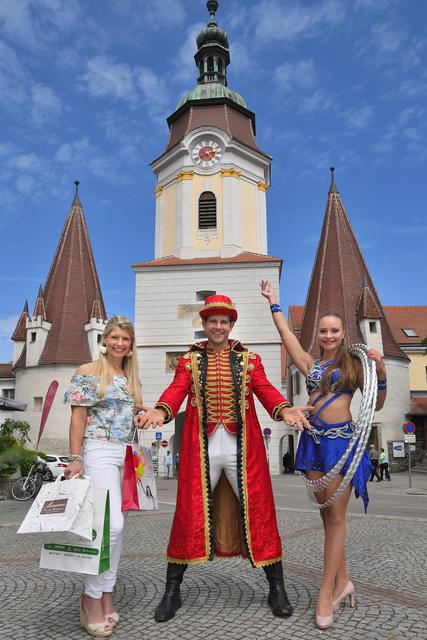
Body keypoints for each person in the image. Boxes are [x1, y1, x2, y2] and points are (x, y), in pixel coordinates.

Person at [135, 294, 312, 623]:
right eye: (212, 321)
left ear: (231, 325)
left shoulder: (250, 360)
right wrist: (161, 410)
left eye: (224, 321)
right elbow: (177, 389)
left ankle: (277, 589)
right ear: (204, 325)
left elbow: (265, 389)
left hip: (241, 448)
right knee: (188, 513)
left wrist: (285, 408)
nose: (218, 326)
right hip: (201, 447)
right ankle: (172, 590)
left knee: (259, 510)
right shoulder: (188, 361)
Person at [260, 281, 387, 630]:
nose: (328, 335)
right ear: (317, 334)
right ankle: (344, 582)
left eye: (334, 331)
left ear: (344, 333)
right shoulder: (311, 364)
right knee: (326, 518)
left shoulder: (355, 366)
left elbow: (375, 403)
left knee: (335, 520)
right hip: (314, 443)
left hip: (342, 444)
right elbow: (286, 334)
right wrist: (274, 304)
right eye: (323, 331)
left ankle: (326, 590)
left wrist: (384, 373)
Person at [64, 316, 142, 638]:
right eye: (115, 338)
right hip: (98, 450)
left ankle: (107, 595)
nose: (120, 344)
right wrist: (75, 458)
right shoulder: (88, 371)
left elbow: (131, 414)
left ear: (130, 344)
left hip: (128, 454)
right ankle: (90, 600)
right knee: (109, 526)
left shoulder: (130, 377)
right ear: (105, 340)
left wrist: (143, 412)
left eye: (125, 339)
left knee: (117, 531)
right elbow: (78, 417)